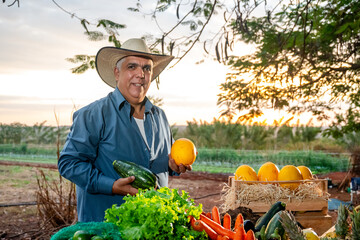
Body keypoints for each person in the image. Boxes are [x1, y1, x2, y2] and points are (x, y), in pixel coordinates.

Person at [58, 38, 192, 222]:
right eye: (132, 67)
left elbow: (156, 163)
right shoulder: (93, 115)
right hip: (105, 227)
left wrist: (173, 166)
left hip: (149, 224)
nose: (141, 74)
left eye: (147, 68)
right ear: (117, 72)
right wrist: (111, 185)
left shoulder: (159, 116)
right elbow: (69, 163)